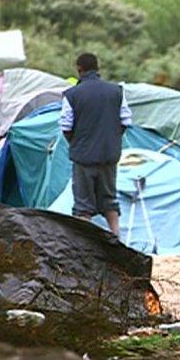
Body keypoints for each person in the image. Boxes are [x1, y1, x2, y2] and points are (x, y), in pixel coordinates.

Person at [60, 53, 131, 235]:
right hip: (109, 155)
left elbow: (66, 126)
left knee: (83, 206)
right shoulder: (116, 91)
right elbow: (125, 120)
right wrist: (111, 139)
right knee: (109, 200)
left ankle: (85, 243)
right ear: (97, 68)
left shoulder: (71, 94)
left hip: (83, 158)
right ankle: (117, 238)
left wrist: (77, 143)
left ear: (79, 70)